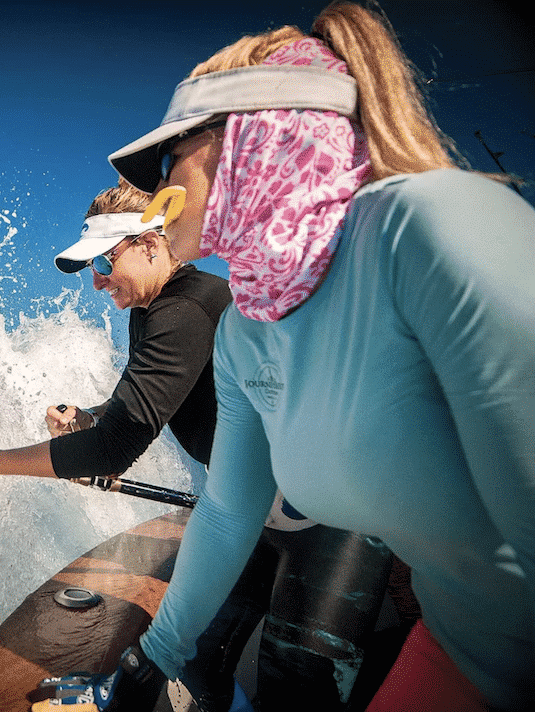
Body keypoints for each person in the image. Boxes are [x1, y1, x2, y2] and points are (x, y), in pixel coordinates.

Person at [33, 2, 534, 711]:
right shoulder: (246, 329)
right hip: (461, 646)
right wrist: (155, 654)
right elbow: (229, 512)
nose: (162, 181)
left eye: (174, 153)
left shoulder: (427, 227)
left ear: (253, 138)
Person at [0, 183, 399, 712]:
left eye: (105, 260)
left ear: (151, 245)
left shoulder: (184, 311)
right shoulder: (149, 308)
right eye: (91, 269)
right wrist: (93, 415)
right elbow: (142, 394)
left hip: (334, 519)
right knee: (202, 663)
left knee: (300, 690)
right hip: (248, 509)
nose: (98, 280)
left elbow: (111, 453)